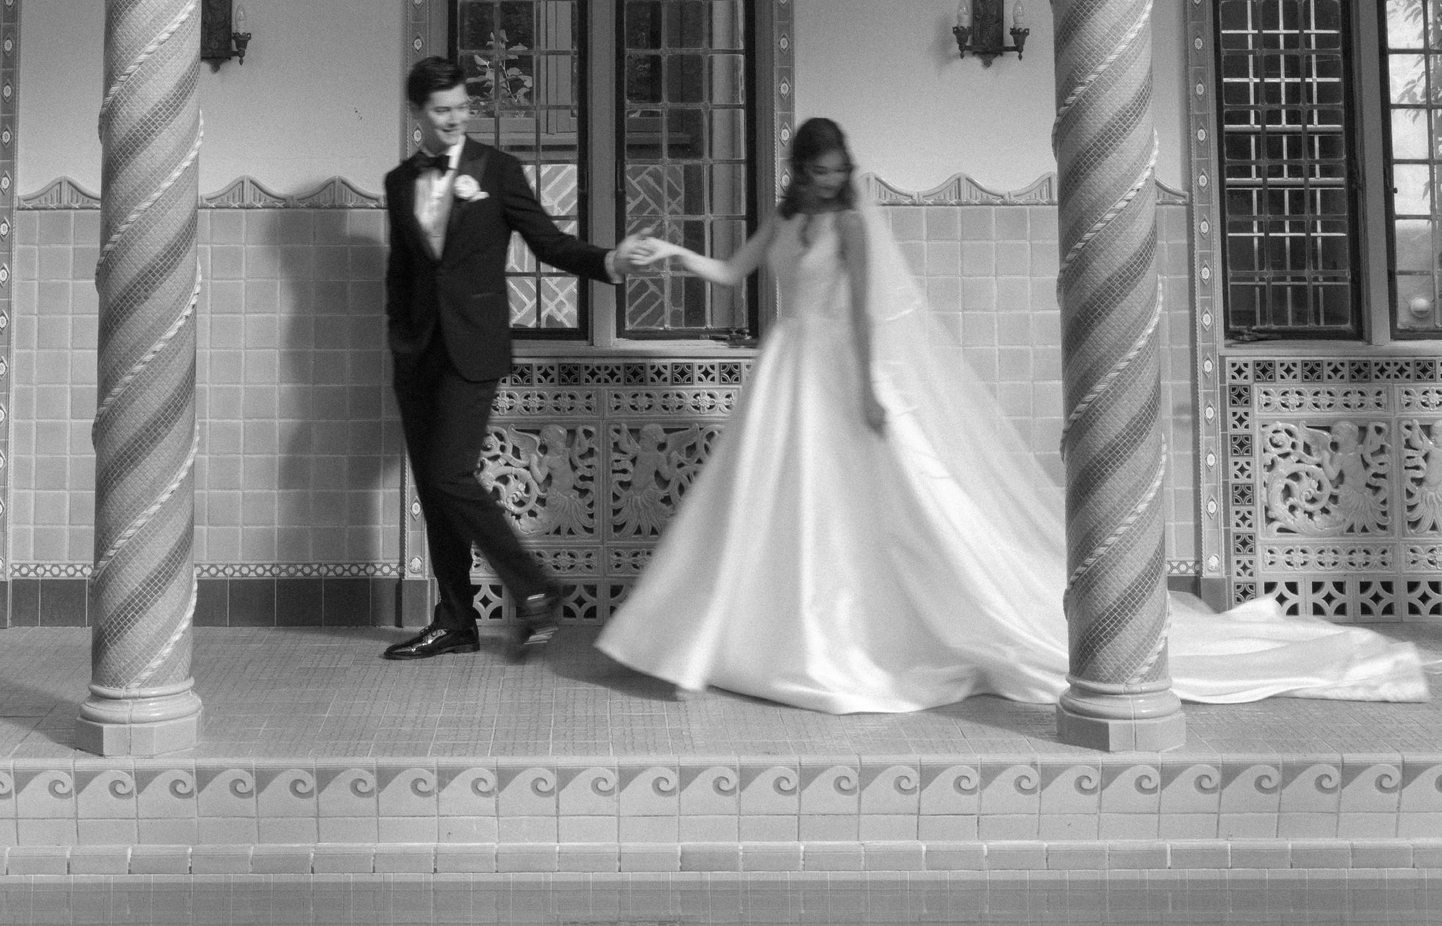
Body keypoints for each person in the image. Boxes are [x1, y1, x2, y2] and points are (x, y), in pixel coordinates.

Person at [597, 117, 1426, 713]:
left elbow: (863, 313)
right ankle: (731, 637)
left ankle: (834, 642)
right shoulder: (784, 218)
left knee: (867, 514)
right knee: (758, 508)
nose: (825, 179)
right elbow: (732, 271)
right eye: (815, 170)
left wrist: (868, 391)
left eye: (834, 169)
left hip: (835, 371)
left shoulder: (850, 223)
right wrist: (670, 252)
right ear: (797, 169)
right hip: (784, 374)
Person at [383, 54, 657, 663]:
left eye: (462, 107)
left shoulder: (498, 170)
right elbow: (400, 274)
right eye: (441, 110)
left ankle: (535, 588)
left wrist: (608, 262)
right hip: (417, 357)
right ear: (418, 113)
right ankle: (455, 621)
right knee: (435, 490)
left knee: (451, 475)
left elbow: (549, 243)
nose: (455, 119)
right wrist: (399, 343)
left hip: (474, 350)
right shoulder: (399, 182)